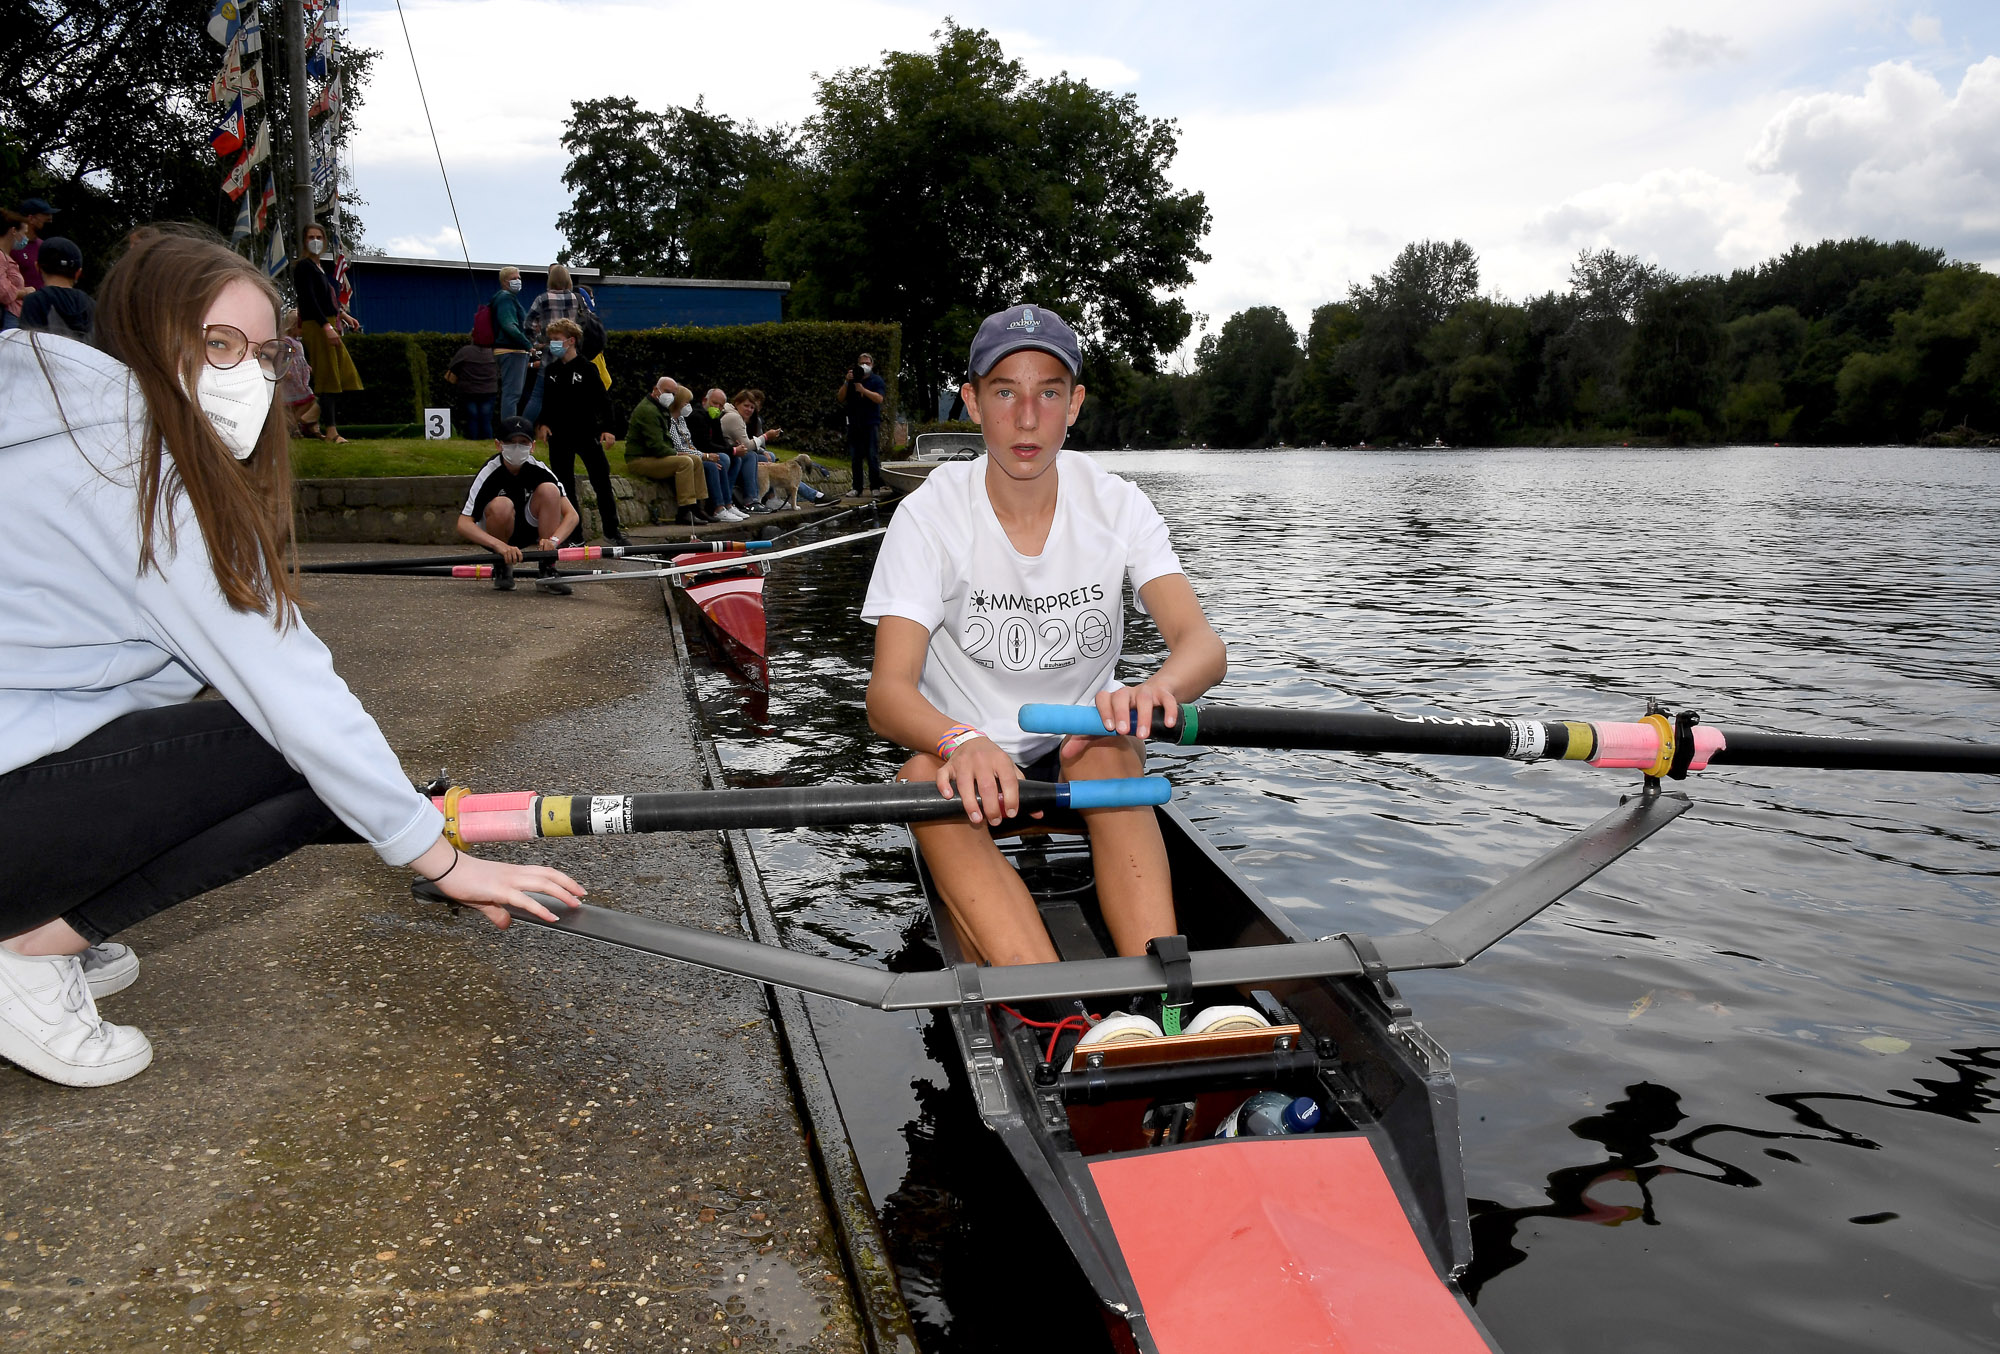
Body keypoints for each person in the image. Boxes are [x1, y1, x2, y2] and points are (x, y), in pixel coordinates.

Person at [0, 224, 584, 1088]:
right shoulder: (138, 476)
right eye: (216, 346)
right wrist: (444, 859)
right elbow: (296, 693)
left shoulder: (59, 430)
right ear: (147, 340)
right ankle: (22, 954)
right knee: (303, 759)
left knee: (314, 768)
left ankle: (34, 927)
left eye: (266, 353)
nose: (247, 375)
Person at [861, 304, 1226, 969]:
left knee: (1111, 750)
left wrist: (1155, 692)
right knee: (920, 775)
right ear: (971, 402)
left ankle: (1163, 1000)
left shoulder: (1117, 504)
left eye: (1048, 393)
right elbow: (887, 694)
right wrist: (959, 739)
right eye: (1005, 392)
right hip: (968, 762)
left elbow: (1203, 646)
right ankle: (1053, 1004)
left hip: (1078, 746)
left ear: (1075, 404)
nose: (1027, 418)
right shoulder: (929, 516)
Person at [456, 416, 580, 594]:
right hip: (497, 532)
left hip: (528, 528)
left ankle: (547, 567)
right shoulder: (489, 472)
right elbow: (463, 523)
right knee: (502, 505)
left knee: (550, 491)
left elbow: (572, 515)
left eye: (523, 442)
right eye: (511, 442)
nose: (517, 447)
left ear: (532, 446)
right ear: (499, 445)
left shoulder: (540, 470)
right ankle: (502, 567)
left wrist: (553, 541)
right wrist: (499, 546)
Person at [534, 318, 626, 546]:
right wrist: (543, 424)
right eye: (550, 340)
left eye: (556, 340)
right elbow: (547, 403)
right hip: (559, 437)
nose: (552, 344)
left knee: (601, 482)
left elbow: (604, 402)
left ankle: (612, 531)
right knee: (564, 485)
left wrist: (608, 429)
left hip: (586, 433)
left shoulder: (587, 368)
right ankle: (574, 536)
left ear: (571, 340)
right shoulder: (552, 371)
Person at [292, 222, 360, 443]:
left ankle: (310, 418)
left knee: (344, 375)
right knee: (329, 378)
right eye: (311, 236)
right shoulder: (304, 267)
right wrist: (326, 326)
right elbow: (309, 301)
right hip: (317, 325)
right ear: (304, 241)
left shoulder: (319, 267)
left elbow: (325, 299)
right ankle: (331, 431)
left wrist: (343, 316)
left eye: (319, 237)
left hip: (328, 322)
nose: (315, 241)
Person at [624, 378, 711, 526]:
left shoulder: (658, 408)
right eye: (667, 392)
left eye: (673, 393)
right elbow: (656, 447)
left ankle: (697, 506)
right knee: (685, 462)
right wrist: (676, 453)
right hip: (639, 459)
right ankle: (685, 510)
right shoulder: (648, 411)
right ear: (656, 389)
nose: (670, 396)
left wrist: (677, 452)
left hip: (653, 456)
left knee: (695, 460)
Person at [522, 263, 586, 426]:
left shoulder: (542, 299)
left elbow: (528, 324)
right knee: (572, 393)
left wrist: (537, 343)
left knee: (538, 395)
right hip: (570, 350)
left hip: (550, 350)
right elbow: (584, 323)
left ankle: (523, 429)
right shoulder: (576, 298)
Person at [719, 388, 783, 513]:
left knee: (766, 457)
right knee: (751, 456)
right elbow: (747, 445)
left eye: (752, 407)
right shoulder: (733, 417)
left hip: (732, 452)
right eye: (746, 406)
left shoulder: (740, 417)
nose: (749, 410)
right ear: (737, 403)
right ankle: (752, 500)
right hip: (726, 453)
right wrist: (766, 436)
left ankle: (764, 498)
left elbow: (746, 444)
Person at [17, 237, 93, 340]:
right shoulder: (92, 305)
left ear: (37, 267)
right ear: (78, 273)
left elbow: (27, 347)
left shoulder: (35, 301)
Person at [688, 387, 746, 522]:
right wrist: (731, 451)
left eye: (721, 406)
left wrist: (733, 448)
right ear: (705, 401)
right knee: (723, 459)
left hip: (707, 452)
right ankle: (717, 506)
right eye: (715, 403)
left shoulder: (714, 418)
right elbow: (704, 444)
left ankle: (728, 503)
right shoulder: (697, 416)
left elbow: (719, 441)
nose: (718, 408)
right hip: (698, 453)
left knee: (736, 459)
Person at [837, 352, 888, 498]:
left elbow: (879, 399)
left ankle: (875, 486)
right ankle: (857, 487)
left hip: (871, 423)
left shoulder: (876, 380)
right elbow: (840, 397)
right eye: (862, 363)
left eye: (867, 363)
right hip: (854, 423)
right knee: (855, 457)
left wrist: (863, 390)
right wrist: (847, 382)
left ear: (872, 365)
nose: (864, 366)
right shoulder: (852, 380)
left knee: (872, 455)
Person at [489, 266, 532, 419]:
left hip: (509, 351)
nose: (518, 281)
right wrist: (528, 345)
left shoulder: (504, 298)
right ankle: (509, 431)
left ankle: (509, 428)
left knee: (511, 394)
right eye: (514, 278)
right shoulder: (506, 298)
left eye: (519, 278)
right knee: (512, 394)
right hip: (512, 351)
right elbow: (509, 325)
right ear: (504, 281)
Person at [444, 334, 499, 441]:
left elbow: (452, 367)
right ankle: (487, 441)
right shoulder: (493, 352)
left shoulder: (465, 351)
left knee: (472, 417)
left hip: (469, 391)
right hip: (489, 391)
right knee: (486, 418)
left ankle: (472, 440)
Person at [278, 309, 320, 435]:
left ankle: (294, 426)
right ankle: (294, 424)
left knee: (303, 401)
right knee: (306, 399)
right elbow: (283, 357)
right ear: (293, 326)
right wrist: (284, 371)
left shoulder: (298, 342)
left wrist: (307, 366)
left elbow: (301, 358)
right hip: (292, 377)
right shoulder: (287, 341)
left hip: (300, 378)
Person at [8, 197, 54, 292]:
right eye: (46, 215)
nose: (50, 219)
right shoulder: (11, 246)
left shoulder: (44, 246)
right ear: (31, 218)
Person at [0, 210, 33, 330]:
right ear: (13, 231)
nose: (26, 238)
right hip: (6, 320)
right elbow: (3, 291)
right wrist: (25, 292)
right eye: (24, 233)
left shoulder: (6, 257)